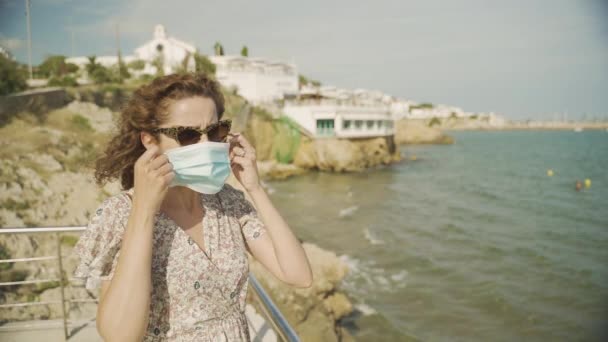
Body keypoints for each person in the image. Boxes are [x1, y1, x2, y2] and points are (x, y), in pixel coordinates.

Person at [71, 73, 313, 341]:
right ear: (150, 141)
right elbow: (120, 336)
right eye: (187, 135)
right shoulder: (119, 214)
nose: (206, 144)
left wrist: (254, 188)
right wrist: (144, 211)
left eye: (215, 131)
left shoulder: (227, 202)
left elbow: (298, 275)